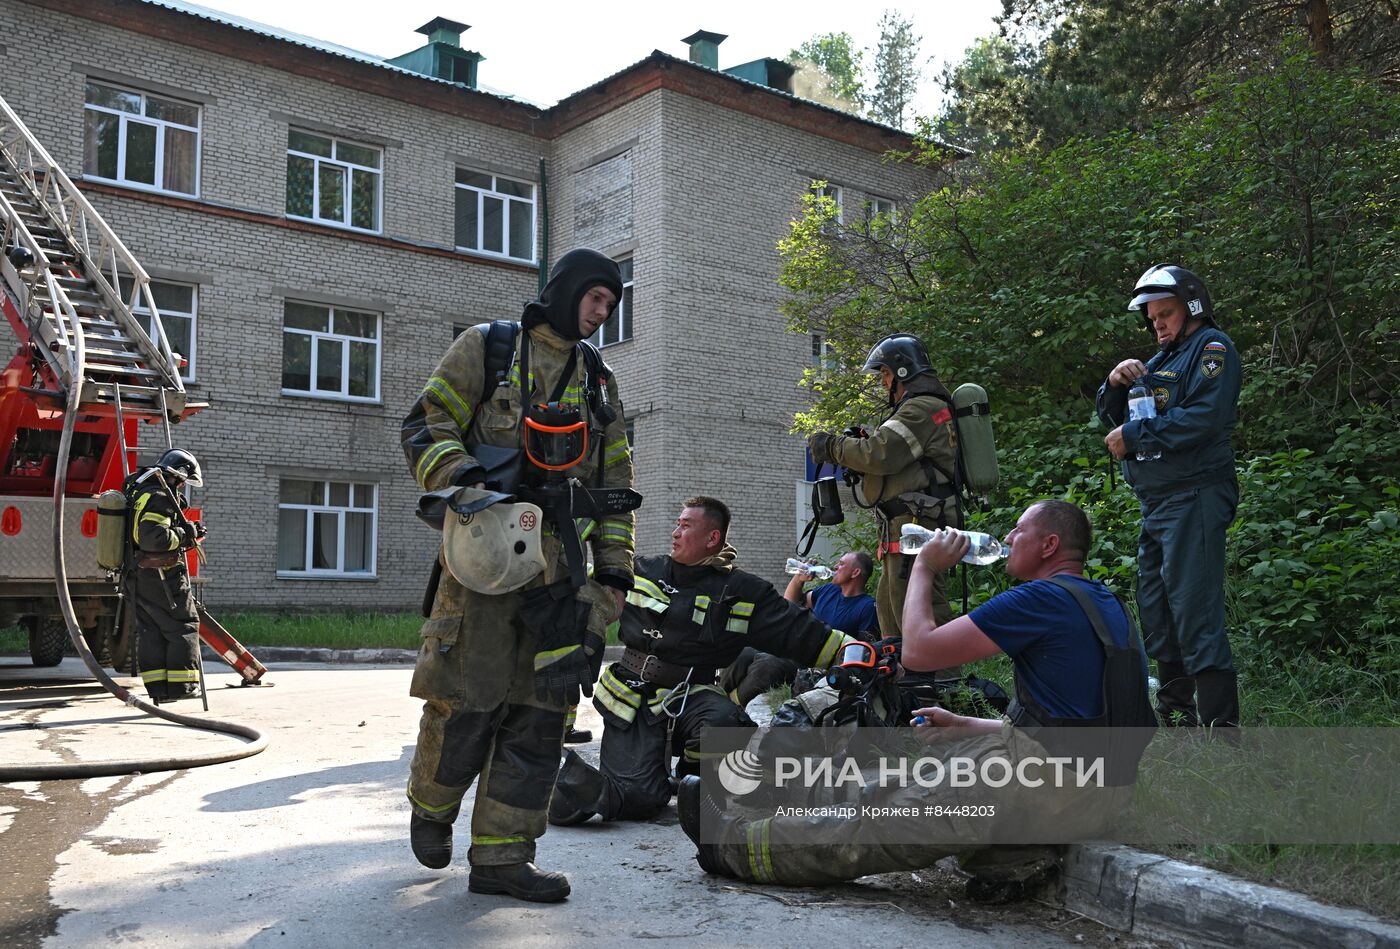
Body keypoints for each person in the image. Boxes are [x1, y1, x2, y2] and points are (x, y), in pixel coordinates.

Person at [677, 500, 1152, 895]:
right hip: (1097, 790)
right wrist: (977, 726)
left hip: (1051, 788)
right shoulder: (1103, 602)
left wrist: (923, 564)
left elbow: (921, 651)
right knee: (892, 781)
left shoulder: (1041, 599)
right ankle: (753, 794)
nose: (1007, 537)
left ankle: (730, 847)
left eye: (1019, 530)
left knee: (874, 826)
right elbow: (1095, 728)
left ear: (1050, 545)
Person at [400, 248, 636, 903]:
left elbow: (616, 482)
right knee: (466, 698)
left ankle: (503, 858)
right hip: (484, 556)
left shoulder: (600, 379)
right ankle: (432, 804)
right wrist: (464, 479)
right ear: (565, 290)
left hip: (559, 575)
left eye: (611, 305)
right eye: (596, 298)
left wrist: (614, 572)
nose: (602, 312)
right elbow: (426, 422)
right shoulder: (489, 347)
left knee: (541, 716)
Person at [548, 496, 860, 826]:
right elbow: (582, 596)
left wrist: (855, 654)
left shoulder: (741, 591)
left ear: (712, 538)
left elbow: (801, 630)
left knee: (727, 724)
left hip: (692, 697)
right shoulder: (640, 571)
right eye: (677, 524)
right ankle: (558, 774)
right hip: (631, 698)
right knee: (637, 800)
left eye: (686, 526)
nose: (675, 532)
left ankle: (691, 783)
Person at [1096, 265, 1241, 728]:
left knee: (1195, 609)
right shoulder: (1159, 362)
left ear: (1192, 306)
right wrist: (1114, 384)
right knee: (1157, 608)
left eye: (1167, 313)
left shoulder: (1212, 349)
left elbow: (1205, 417)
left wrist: (1135, 435)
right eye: (1152, 316)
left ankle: (1222, 732)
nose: (1157, 323)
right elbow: (1114, 420)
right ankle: (1177, 717)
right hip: (1156, 504)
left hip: (1195, 495)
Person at [806, 334, 960, 669]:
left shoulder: (923, 407)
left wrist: (832, 447)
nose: (883, 382)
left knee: (921, 608)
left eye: (885, 374)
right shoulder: (914, 408)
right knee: (892, 608)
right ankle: (905, 686)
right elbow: (886, 453)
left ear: (902, 372)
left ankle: (943, 687)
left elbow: (881, 454)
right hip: (904, 525)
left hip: (919, 525)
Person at [719, 550, 880, 707]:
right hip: (794, 647)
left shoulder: (867, 607)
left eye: (842, 564)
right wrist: (798, 580)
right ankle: (718, 694)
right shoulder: (828, 591)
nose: (836, 566)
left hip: (817, 665)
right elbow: (789, 605)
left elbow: (864, 652)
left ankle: (733, 704)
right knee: (743, 652)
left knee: (767, 664)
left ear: (855, 572)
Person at [126, 448, 205, 704]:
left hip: (136, 574)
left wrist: (185, 530)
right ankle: (182, 687)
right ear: (177, 476)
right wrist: (186, 535)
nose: (183, 486)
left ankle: (159, 689)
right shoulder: (160, 497)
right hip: (162, 575)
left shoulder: (138, 491)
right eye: (183, 481)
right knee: (184, 625)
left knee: (152, 631)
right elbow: (154, 538)